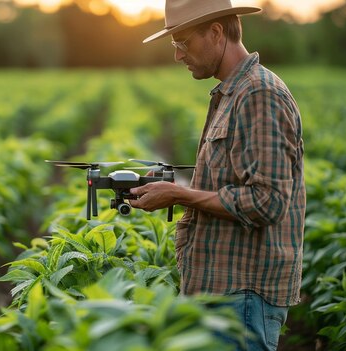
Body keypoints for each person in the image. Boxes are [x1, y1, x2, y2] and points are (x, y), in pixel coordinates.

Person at [129, 0, 306, 350]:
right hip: (223, 293)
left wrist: (179, 195)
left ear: (215, 32)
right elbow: (232, 182)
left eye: (182, 42)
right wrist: (172, 183)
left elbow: (268, 201)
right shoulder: (232, 92)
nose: (178, 55)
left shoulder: (259, 94)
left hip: (242, 299)